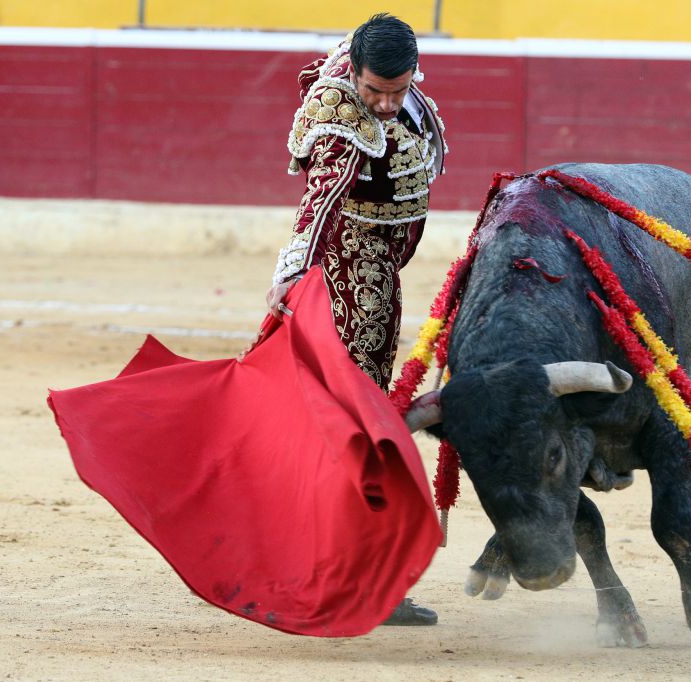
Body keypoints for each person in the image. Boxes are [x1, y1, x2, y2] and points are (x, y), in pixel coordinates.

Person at [267, 13, 447, 626]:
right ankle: (351, 572)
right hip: (352, 266)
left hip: (377, 266)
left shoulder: (379, 70)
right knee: (358, 416)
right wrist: (293, 272)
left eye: (398, 89)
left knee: (357, 410)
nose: (387, 103)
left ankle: (343, 566)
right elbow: (318, 202)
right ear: (356, 76)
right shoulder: (343, 116)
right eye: (375, 90)